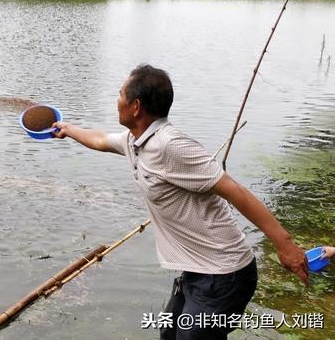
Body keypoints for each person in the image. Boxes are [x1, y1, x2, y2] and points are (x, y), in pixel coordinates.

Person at [51, 64, 309, 340]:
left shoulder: (171, 146)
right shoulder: (135, 141)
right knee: (169, 334)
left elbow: (236, 191)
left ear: (135, 106)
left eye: (119, 94)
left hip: (225, 274)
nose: (116, 100)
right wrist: (68, 129)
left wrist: (285, 244)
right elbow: (101, 139)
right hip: (198, 271)